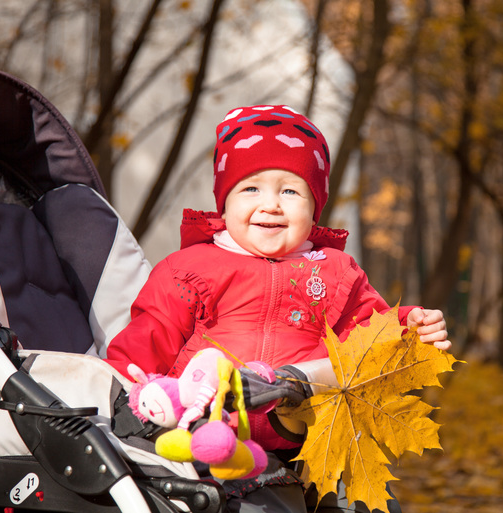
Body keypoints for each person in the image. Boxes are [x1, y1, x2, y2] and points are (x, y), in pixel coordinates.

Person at [105, 105, 451, 512]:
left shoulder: (336, 272)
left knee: (368, 501)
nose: (271, 204)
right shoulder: (189, 269)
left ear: (314, 204)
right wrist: (128, 402)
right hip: (214, 438)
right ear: (225, 201)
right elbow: (146, 342)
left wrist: (407, 325)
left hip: (311, 433)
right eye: (250, 189)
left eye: (290, 190)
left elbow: (366, 337)